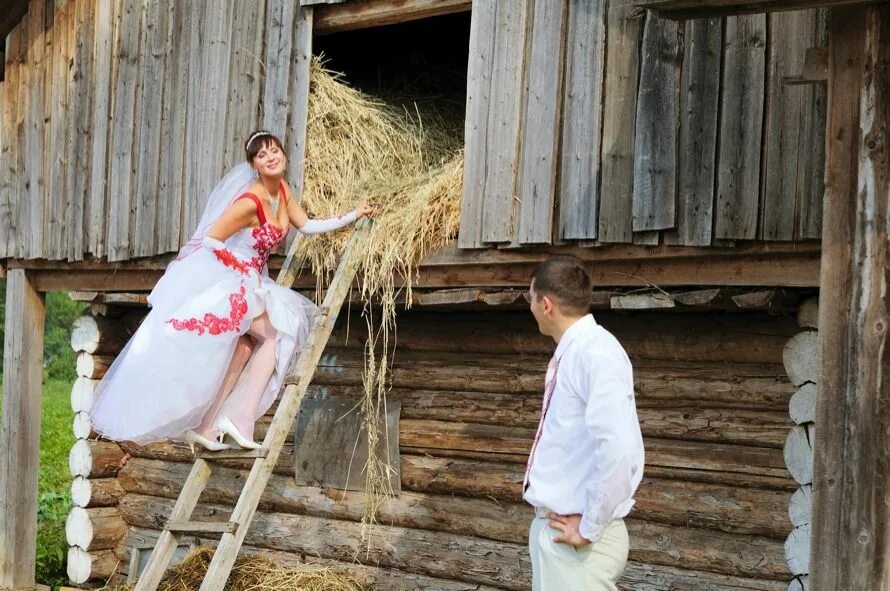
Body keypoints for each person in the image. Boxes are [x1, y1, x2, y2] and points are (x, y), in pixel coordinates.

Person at [90, 130, 373, 452]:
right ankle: (240, 418)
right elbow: (212, 238)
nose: (271, 157)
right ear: (254, 165)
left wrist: (353, 216)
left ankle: (205, 426)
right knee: (277, 332)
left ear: (283, 155)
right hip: (231, 280)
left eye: (275, 151)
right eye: (262, 155)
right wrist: (240, 270)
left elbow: (306, 225)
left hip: (252, 280)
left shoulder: (283, 191)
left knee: (242, 349)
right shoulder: (249, 201)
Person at [524, 255, 645, 591]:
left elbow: (620, 449)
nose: (530, 306)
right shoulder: (578, 351)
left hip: (579, 546)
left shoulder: (595, 353)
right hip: (565, 540)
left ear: (546, 304)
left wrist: (590, 526)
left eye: (530, 298)